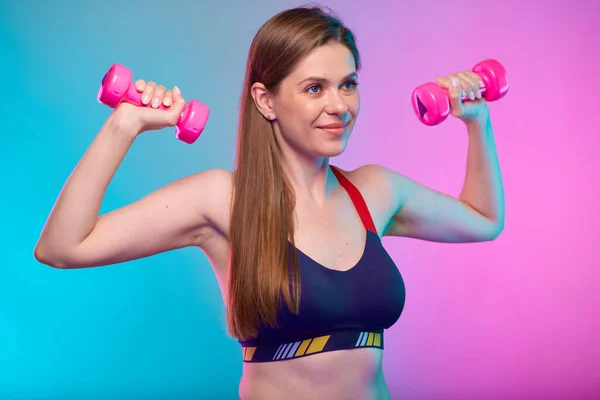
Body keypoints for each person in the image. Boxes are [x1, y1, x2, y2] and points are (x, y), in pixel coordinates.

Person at [34, 4, 505, 400]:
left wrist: (476, 122)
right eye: (314, 88)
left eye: (349, 84)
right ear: (266, 100)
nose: (340, 105)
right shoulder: (223, 199)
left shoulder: (375, 192)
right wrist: (125, 125)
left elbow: (484, 221)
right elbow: (62, 246)